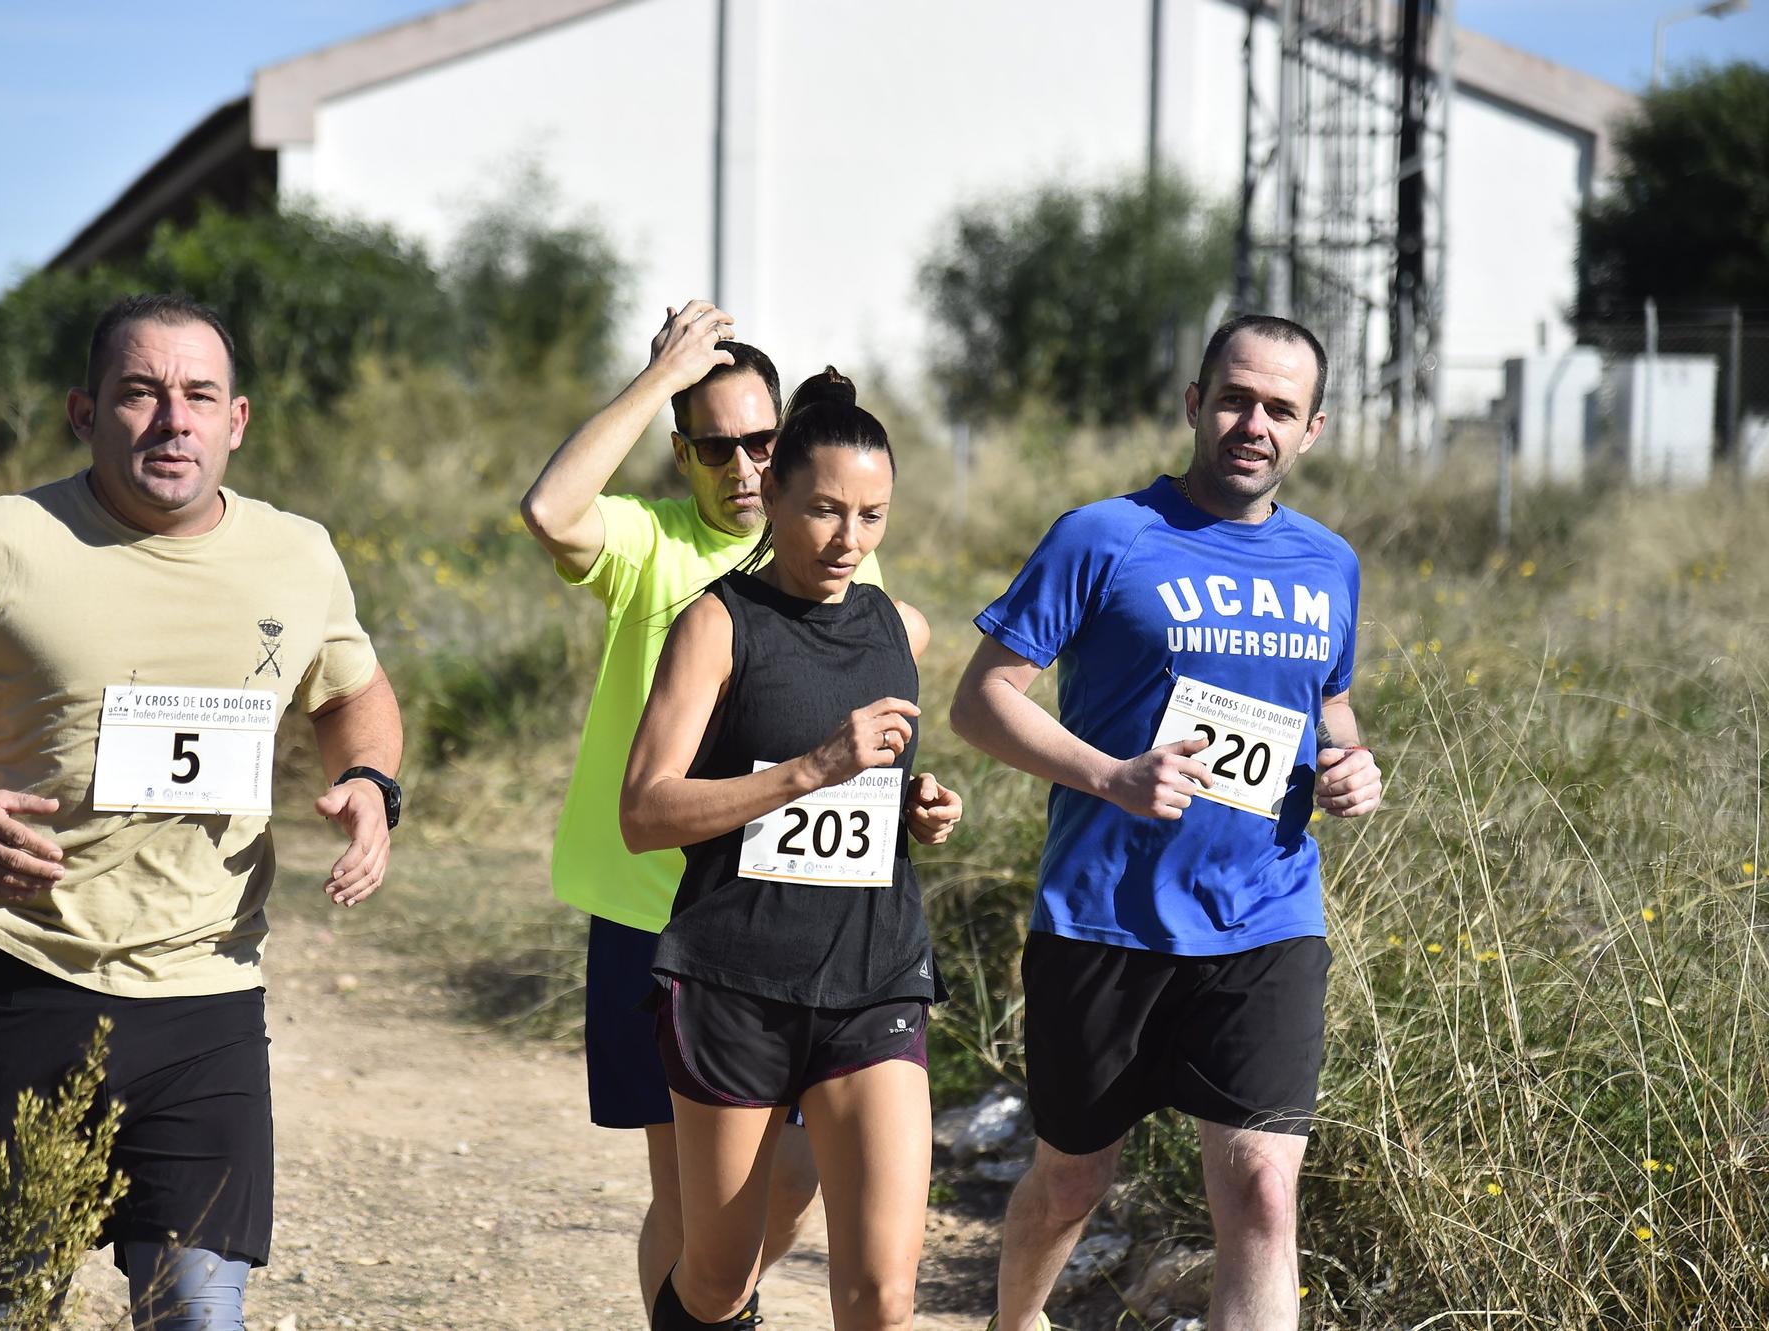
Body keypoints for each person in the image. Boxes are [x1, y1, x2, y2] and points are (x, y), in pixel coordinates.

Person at [0, 294, 403, 1330]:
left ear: (237, 420)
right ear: (86, 412)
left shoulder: (296, 553)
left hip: (208, 990)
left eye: (198, 395)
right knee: (4, 1309)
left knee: (198, 1315)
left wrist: (370, 783)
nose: (172, 418)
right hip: (20, 978)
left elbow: (352, 689)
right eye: (140, 392)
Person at [949, 315, 1384, 1331]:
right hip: (1104, 919)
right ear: (1194, 403)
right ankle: (1015, 1323)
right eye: (1234, 398)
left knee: (1264, 1194)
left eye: (1279, 408)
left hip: (1265, 915)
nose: (1252, 423)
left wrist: (1348, 765)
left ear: (1310, 429)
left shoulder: (1328, 563)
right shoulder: (1100, 535)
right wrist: (1109, 774)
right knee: (1070, 1179)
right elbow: (981, 699)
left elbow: (1327, 707)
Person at [521, 303, 883, 1319]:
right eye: (714, 445)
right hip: (657, 917)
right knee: (684, 1192)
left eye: (761, 442)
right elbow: (551, 510)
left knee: (795, 1174)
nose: (742, 467)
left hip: (800, 916)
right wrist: (653, 380)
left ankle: (723, 1299)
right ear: (681, 453)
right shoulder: (648, 545)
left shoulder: (836, 549)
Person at [620, 369, 963, 1331]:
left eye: (872, 515)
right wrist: (810, 769)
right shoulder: (718, 624)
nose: (848, 540)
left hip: (875, 976)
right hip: (737, 983)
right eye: (822, 510)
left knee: (884, 1294)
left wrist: (915, 808)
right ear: (771, 493)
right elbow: (644, 811)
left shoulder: (901, 629)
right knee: (720, 1278)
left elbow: (872, 790)